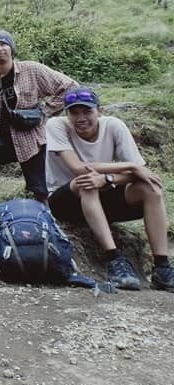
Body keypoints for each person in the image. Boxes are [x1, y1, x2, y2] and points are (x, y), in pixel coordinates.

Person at [46, 87, 174, 292]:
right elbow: (78, 168)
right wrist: (131, 166)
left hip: (100, 196)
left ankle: (162, 268)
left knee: (150, 188)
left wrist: (107, 178)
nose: (80, 118)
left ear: (100, 111)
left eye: (87, 111)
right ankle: (113, 258)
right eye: (74, 112)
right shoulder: (56, 125)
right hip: (64, 200)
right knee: (86, 181)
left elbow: (141, 174)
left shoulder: (114, 126)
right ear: (67, 114)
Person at [0, 30, 77, 220]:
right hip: (3, 140)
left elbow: (70, 86)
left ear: (11, 48)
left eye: (3, 44)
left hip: (32, 140)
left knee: (41, 195)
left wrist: (46, 111)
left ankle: (47, 225)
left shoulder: (32, 70)